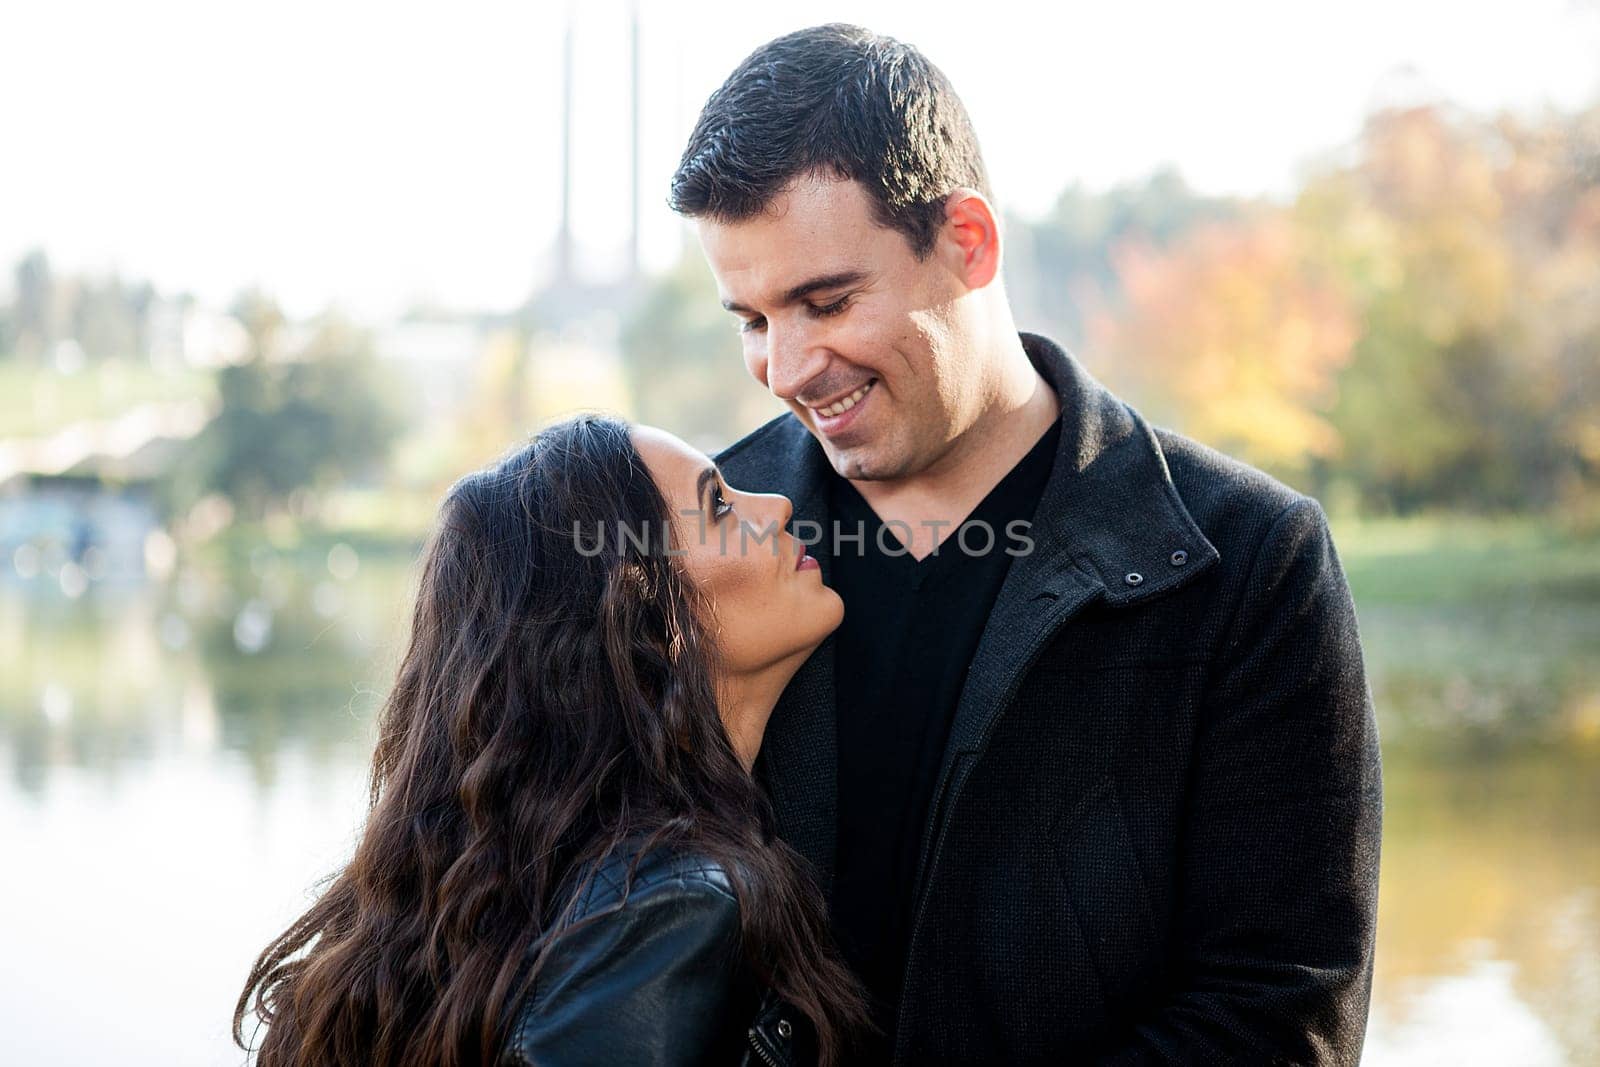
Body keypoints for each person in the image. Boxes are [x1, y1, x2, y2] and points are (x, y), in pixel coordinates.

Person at [672, 23, 1384, 1065]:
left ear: (968, 241)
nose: (787, 365)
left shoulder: (1251, 561)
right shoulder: (700, 543)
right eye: (750, 317)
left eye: (826, 301)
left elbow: (1282, 1010)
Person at [234, 415, 870, 1067]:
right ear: (647, 619)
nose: (779, 503)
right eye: (719, 505)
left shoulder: (547, 881)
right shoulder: (675, 902)